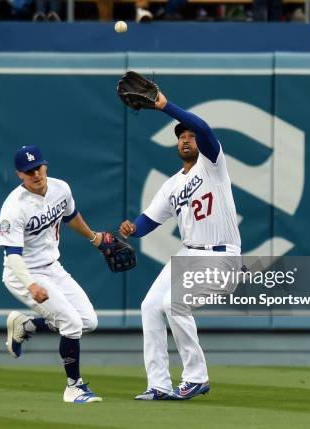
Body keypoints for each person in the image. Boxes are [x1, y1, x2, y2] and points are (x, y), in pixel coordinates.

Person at [119, 87, 242, 401]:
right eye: (181, 136)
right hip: (189, 253)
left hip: (222, 256)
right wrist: (132, 228)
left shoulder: (212, 164)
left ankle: (196, 377)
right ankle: (158, 384)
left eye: (190, 135)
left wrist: (164, 105)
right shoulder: (172, 185)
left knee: (173, 303)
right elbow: (149, 222)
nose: (186, 139)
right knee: (150, 306)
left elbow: (204, 128)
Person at [0, 145, 105, 403]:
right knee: (71, 324)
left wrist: (95, 238)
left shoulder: (61, 188)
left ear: (45, 166)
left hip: (53, 267)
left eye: (38, 168)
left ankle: (27, 325)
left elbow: (72, 217)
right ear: (19, 175)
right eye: (29, 171)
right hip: (23, 272)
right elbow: (12, 256)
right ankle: (74, 387)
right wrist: (31, 284)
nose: (36, 174)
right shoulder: (14, 207)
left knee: (88, 322)